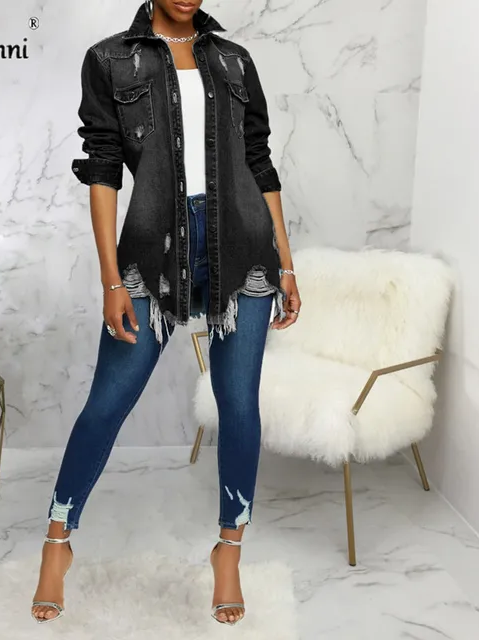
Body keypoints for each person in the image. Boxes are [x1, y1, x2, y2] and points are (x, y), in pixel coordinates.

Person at [31, 0, 301, 626]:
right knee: (107, 404)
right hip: (154, 248)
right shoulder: (108, 59)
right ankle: (57, 541)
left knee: (240, 407)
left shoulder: (235, 60)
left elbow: (259, 162)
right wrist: (111, 279)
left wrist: (286, 265)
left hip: (243, 247)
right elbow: (103, 170)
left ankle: (229, 550)